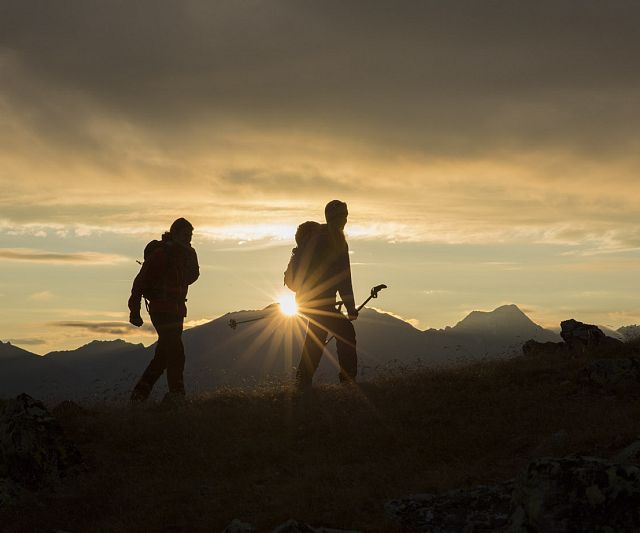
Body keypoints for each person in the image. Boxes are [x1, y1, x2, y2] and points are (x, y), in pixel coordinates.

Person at [128, 218, 199, 403]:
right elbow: (140, 282)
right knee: (176, 351)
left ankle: (139, 395)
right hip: (161, 309)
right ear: (174, 233)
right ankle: (177, 394)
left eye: (190, 235)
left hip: (177, 310)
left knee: (163, 356)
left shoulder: (185, 256)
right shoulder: (161, 254)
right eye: (185, 234)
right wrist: (134, 311)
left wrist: (191, 257)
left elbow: (192, 277)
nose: (188, 238)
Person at [294, 200, 358, 388]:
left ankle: (302, 382)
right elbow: (344, 278)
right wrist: (350, 307)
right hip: (320, 302)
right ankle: (348, 381)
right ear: (332, 218)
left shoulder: (317, 238)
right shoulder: (336, 240)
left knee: (315, 339)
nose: (344, 221)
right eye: (341, 217)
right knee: (346, 332)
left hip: (306, 300)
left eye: (345, 216)